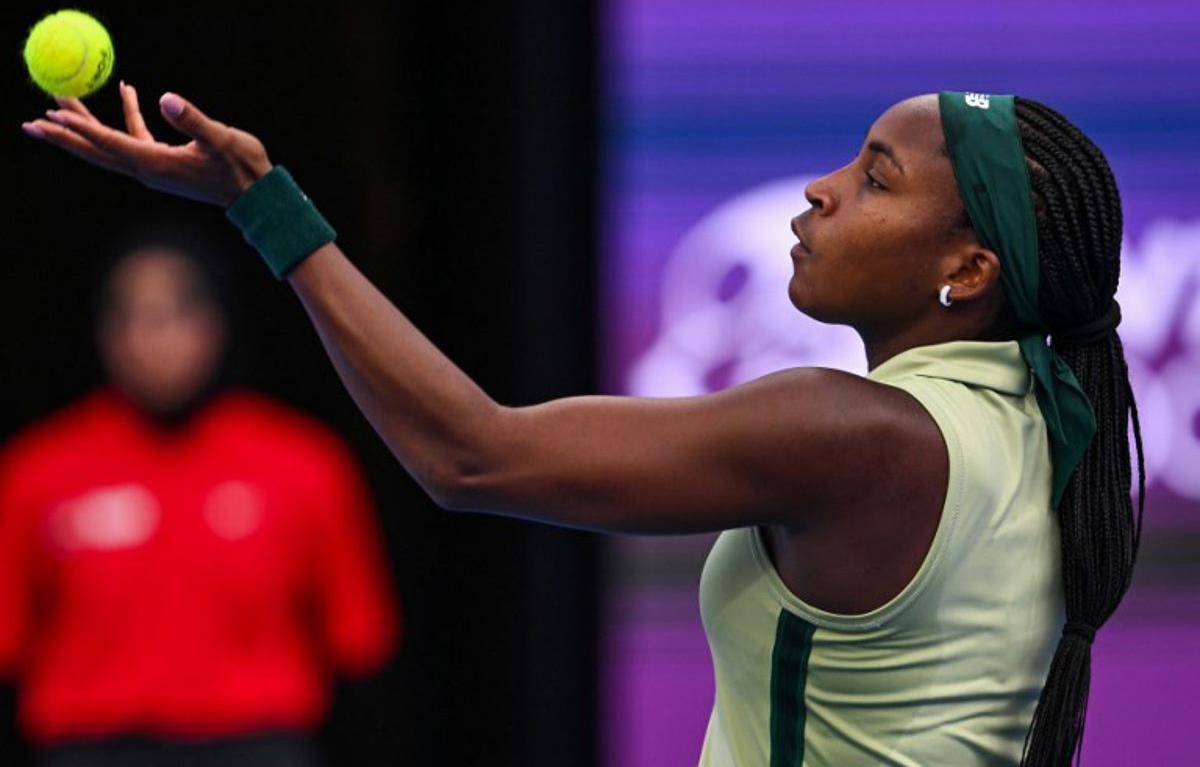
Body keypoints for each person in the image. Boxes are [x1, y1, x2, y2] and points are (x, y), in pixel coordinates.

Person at [21, 84, 1142, 766]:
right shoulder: (1056, 436)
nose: (819, 188)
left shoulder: (856, 434)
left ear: (967, 269)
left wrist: (267, 205)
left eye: (876, 179)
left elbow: (473, 454)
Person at [0, 227, 400, 766]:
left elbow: (359, 641)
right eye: (132, 317)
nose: (153, 338)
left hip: (257, 747)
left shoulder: (305, 464)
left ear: (214, 324)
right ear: (105, 332)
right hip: (92, 749)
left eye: (175, 313)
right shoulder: (37, 471)